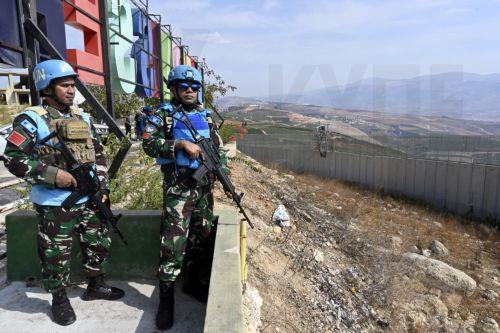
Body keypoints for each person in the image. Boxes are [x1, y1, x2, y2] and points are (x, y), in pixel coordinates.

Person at [2, 59, 124, 326]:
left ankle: (95, 285)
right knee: (56, 253)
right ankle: (59, 299)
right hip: (55, 202)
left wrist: (102, 186)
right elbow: (13, 158)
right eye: (65, 86)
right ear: (47, 87)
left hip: (89, 197)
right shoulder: (31, 119)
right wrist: (55, 175)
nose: (71, 91)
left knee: (97, 242)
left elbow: (99, 155)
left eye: (73, 86)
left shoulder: (82, 118)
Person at [142, 65, 229, 330]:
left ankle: (193, 284)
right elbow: (148, 143)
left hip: (204, 190)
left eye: (194, 87)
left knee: (201, 236)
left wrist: (225, 178)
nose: (190, 91)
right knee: (172, 244)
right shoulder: (162, 115)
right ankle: (166, 300)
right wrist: (179, 145)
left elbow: (218, 149)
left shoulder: (206, 116)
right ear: (174, 89)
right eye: (184, 87)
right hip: (178, 190)